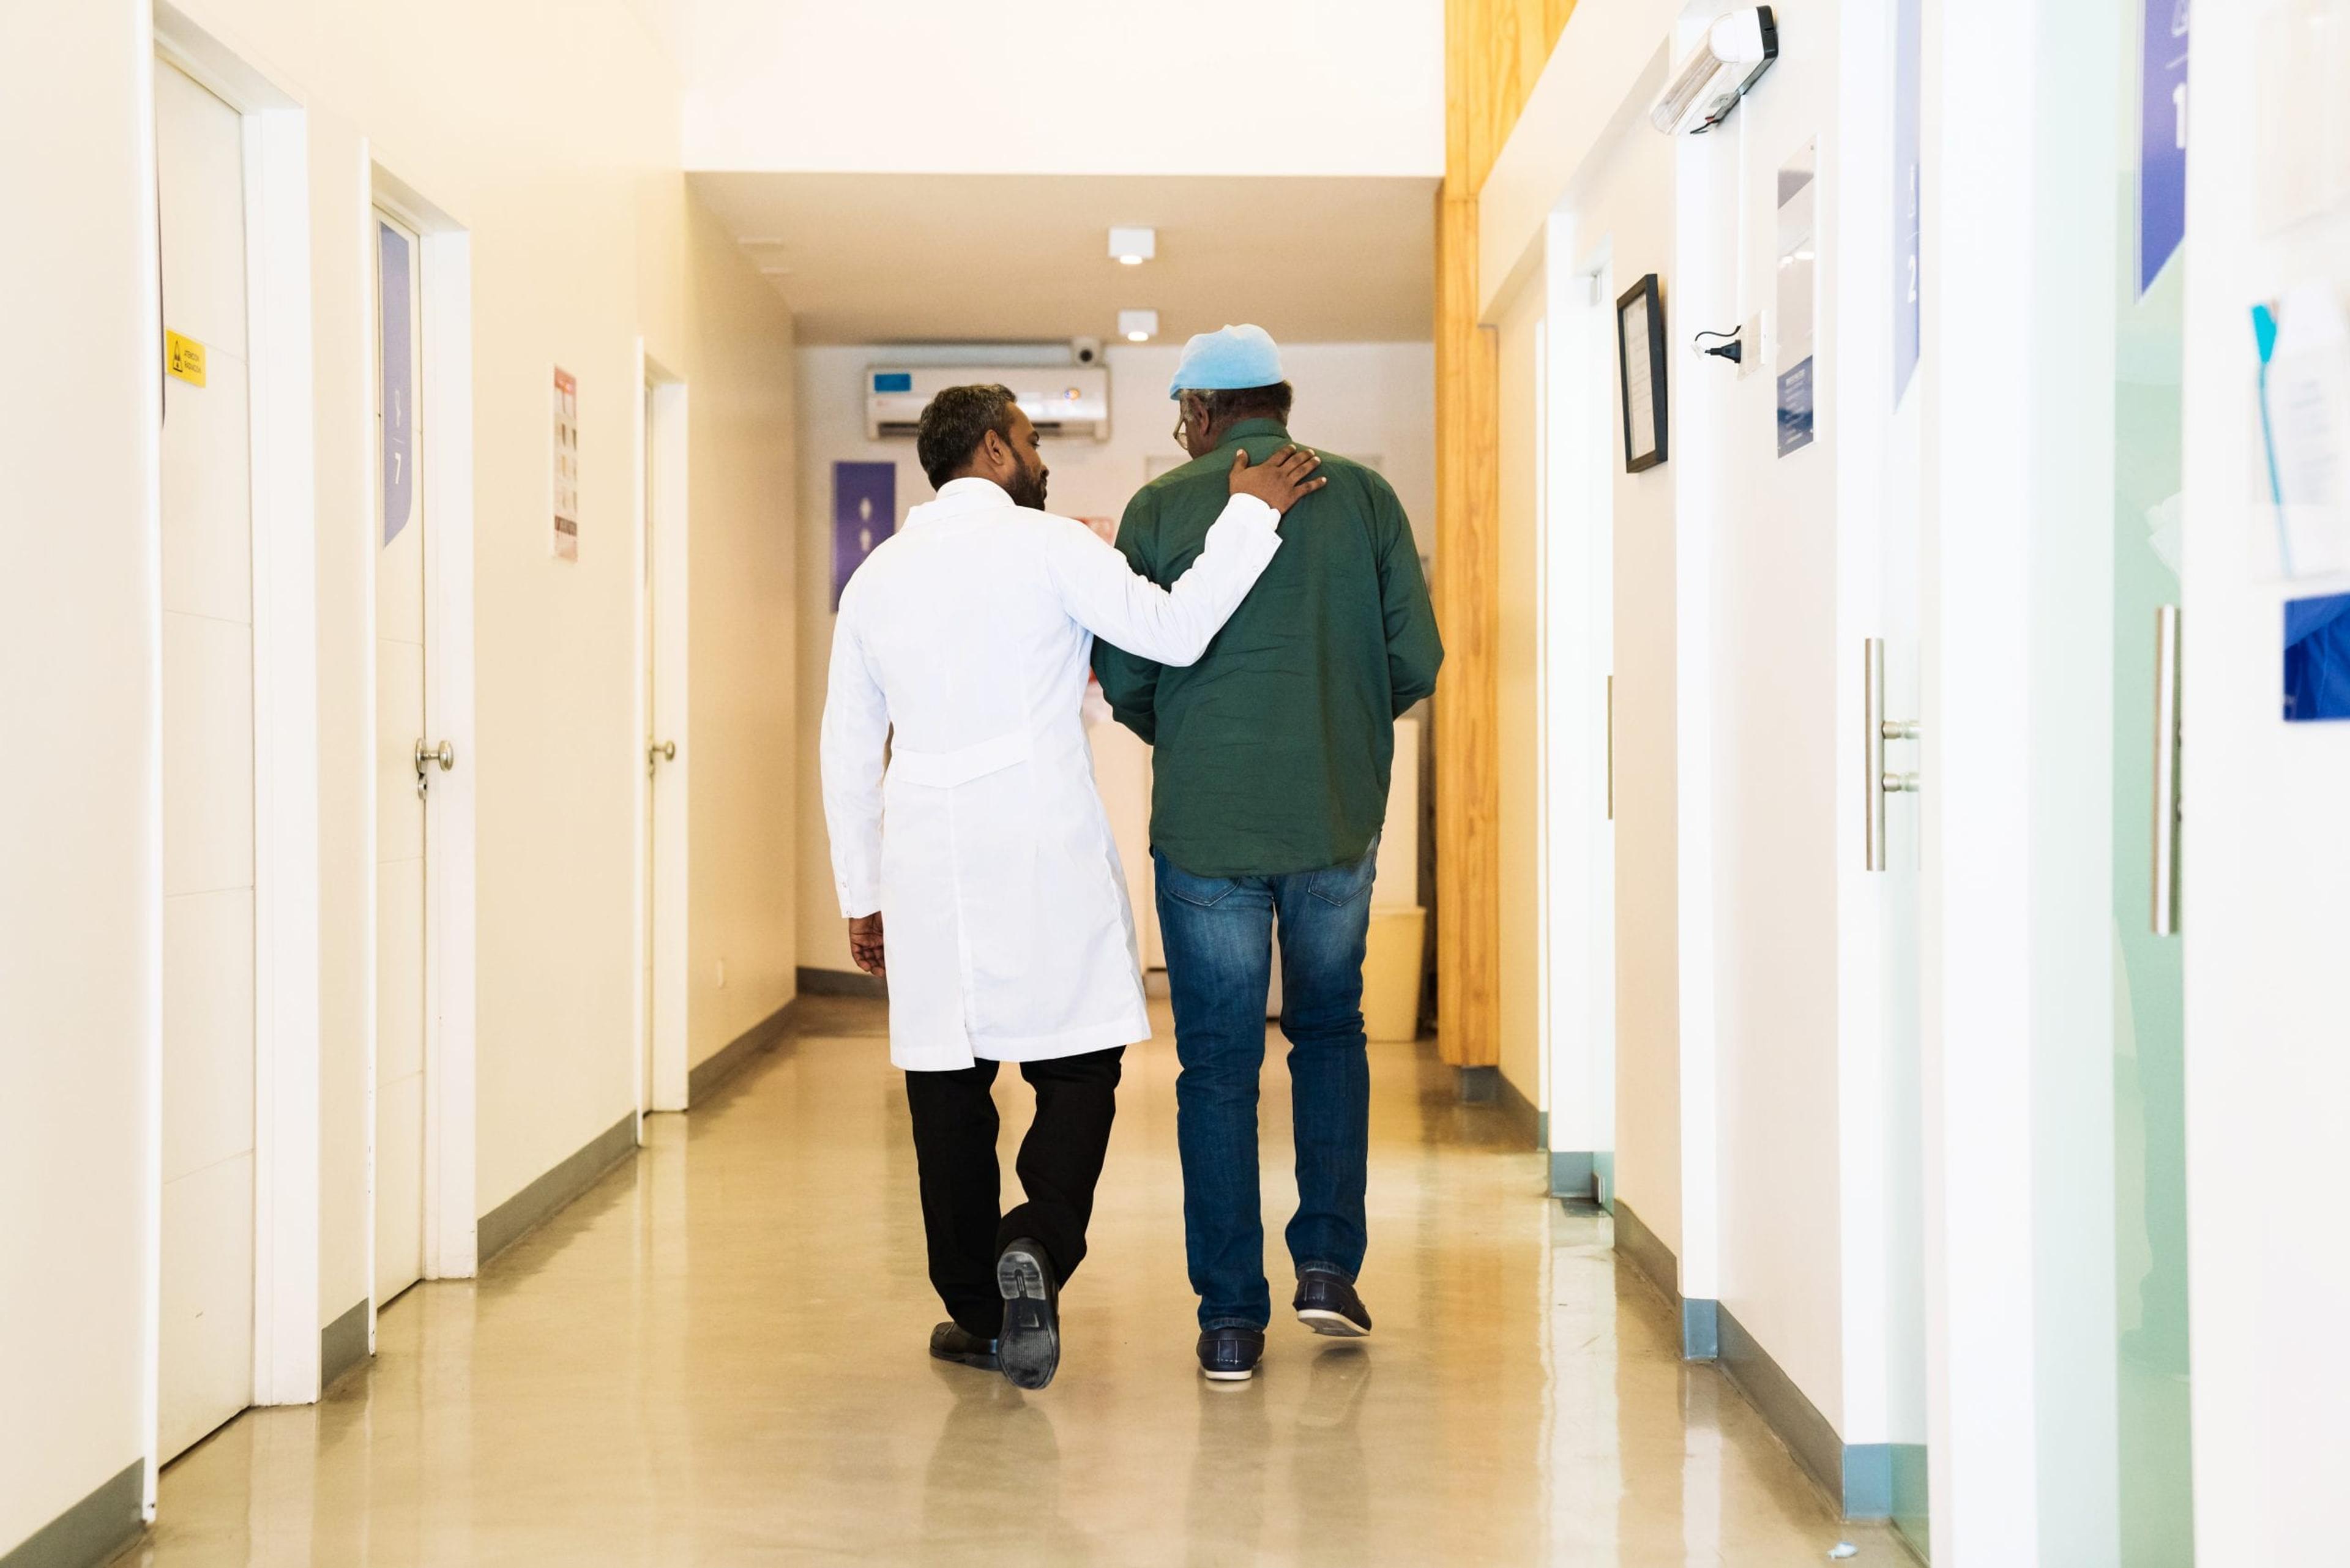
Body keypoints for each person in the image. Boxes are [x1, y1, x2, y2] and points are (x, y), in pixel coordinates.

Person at [819, 383, 1326, 1391]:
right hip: (1036, 835)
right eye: (1033, 437)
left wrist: (862, 891)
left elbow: (846, 749)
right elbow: (1175, 629)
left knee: (946, 1091)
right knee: (1082, 1065)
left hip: (928, 853)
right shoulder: (1048, 547)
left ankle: (977, 1310)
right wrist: (1251, 513)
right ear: (998, 452)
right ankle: (1039, 1248)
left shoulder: (876, 576)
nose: (1040, 456)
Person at [1093, 326, 1444, 1381]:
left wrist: (1201, 739)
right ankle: (1330, 1267)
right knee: (1332, 1031)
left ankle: (1231, 1320)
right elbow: (1413, 656)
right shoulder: (1369, 498)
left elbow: (1126, 674)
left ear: (1199, 414)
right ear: (1278, 403)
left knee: (1218, 1064)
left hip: (1208, 829)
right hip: (1334, 815)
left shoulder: (1160, 508)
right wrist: (1335, 727)